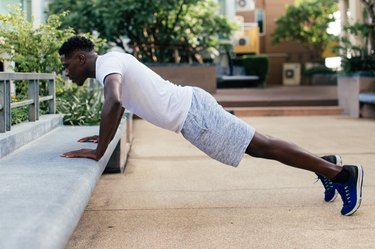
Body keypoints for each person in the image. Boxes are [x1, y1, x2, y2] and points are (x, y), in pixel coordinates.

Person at [59, 35, 363, 216]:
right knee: (259, 147)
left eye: (66, 65)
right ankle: (326, 165)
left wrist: (99, 151)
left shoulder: (107, 65)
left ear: (81, 58)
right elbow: (124, 101)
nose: (66, 71)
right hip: (192, 112)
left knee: (261, 146)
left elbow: (114, 100)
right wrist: (102, 135)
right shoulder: (110, 62)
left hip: (194, 114)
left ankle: (341, 174)